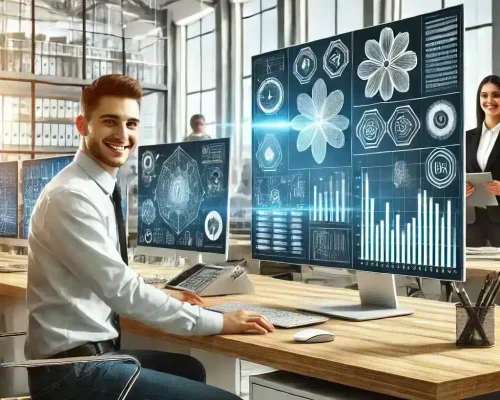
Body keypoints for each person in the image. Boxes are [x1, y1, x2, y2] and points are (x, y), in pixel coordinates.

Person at [25, 74, 274, 400]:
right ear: (82, 125)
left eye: (131, 124)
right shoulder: (71, 196)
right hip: (71, 371)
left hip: (91, 356)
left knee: (191, 371)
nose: (122, 134)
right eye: (110, 121)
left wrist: (170, 300)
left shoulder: (93, 189)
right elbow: (122, 291)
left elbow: (112, 277)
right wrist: (217, 320)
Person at [466, 75, 500, 247]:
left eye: (496, 95)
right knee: (475, 272)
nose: (489, 100)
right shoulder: (467, 137)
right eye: (484, 95)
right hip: (472, 219)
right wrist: (461, 188)